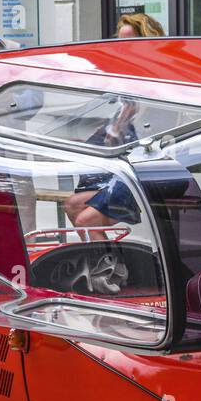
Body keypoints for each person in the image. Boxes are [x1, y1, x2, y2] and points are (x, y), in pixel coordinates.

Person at [63, 14, 166, 237]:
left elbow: (155, 136)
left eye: (130, 43)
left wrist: (122, 126)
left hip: (149, 172)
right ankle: (106, 264)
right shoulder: (122, 83)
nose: (123, 49)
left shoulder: (160, 82)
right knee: (72, 205)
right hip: (120, 171)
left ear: (147, 43)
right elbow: (114, 135)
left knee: (86, 219)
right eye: (120, 43)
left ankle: (111, 269)